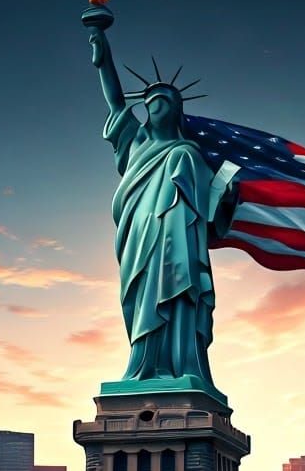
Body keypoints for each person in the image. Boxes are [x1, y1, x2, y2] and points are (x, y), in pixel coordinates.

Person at [88, 25, 219, 390]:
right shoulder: (135, 143)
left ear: (176, 110)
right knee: (139, 296)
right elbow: (114, 101)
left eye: (163, 99)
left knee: (176, 294)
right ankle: (142, 365)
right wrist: (101, 49)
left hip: (177, 238)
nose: (154, 102)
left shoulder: (188, 153)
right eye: (150, 99)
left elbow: (209, 207)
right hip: (137, 233)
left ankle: (179, 366)